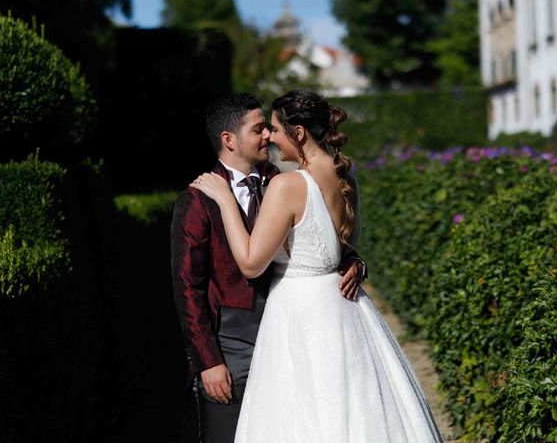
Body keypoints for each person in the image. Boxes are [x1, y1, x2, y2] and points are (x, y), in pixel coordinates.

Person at [190, 89, 445, 443]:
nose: (270, 138)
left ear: (298, 133)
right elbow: (338, 244)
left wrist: (224, 200)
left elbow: (250, 263)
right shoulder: (346, 175)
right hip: (345, 309)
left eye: (276, 130)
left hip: (300, 315)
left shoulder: (287, 185)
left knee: (303, 415)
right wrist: (354, 260)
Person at [170, 92, 366, 443]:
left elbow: (319, 232)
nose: (268, 137)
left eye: (269, 128)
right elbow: (188, 289)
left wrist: (351, 260)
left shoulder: (282, 181)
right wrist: (208, 361)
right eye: (259, 129)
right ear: (229, 140)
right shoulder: (198, 200)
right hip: (232, 344)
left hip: (292, 335)